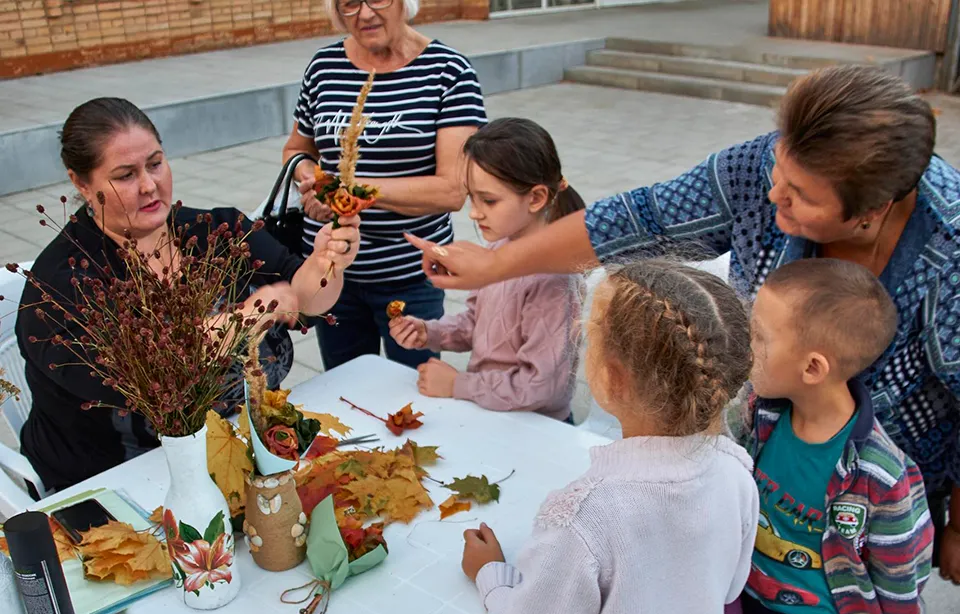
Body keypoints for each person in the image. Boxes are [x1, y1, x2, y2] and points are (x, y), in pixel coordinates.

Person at [408, 64, 960, 585]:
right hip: (759, 460)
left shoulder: (949, 252)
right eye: (778, 171)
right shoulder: (759, 168)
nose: (772, 196)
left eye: (800, 197)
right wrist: (497, 263)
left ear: (873, 211)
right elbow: (639, 218)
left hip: (871, 502)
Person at [460, 259, 759, 614]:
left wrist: (491, 577)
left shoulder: (586, 516)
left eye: (590, 334)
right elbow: (727, 586)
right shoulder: (737, 471)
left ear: (613, 378)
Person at [17, 97, 360, 493]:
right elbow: (154, 375)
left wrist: (326, 262)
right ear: (81, 183)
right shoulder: (65, 286)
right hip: (116, 483)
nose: (149, 185)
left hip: (241, 452)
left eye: (156, 163)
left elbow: (304, 297)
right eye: (125, 175)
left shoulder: (213, 231)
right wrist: (245, 318)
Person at [721, 258, 933, 614]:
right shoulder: (760, 415)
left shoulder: (883, 476)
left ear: (813, 367)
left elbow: (902, 585)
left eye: (758, 336)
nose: (743, 342)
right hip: (746, 606)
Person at [281, 0, 486, 372]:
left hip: (409, 275)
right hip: (331, 273)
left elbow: (452, 190)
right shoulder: (323, 67)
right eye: (349, 3)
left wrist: (353, 191)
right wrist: (317, 184)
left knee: (416, 390)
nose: (365, 13)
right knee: (345, 388)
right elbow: (297, 150)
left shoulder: (449, 71)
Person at [388, 118, 584, 421]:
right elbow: (477, 323)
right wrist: (430, 332)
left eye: (489, 200)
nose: (474, 212)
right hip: (491, 413)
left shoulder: (554, 279)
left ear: (536, 197)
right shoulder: (497, 250)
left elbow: (542, 386)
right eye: (472, 197)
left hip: (537, 429)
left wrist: (458, 384)